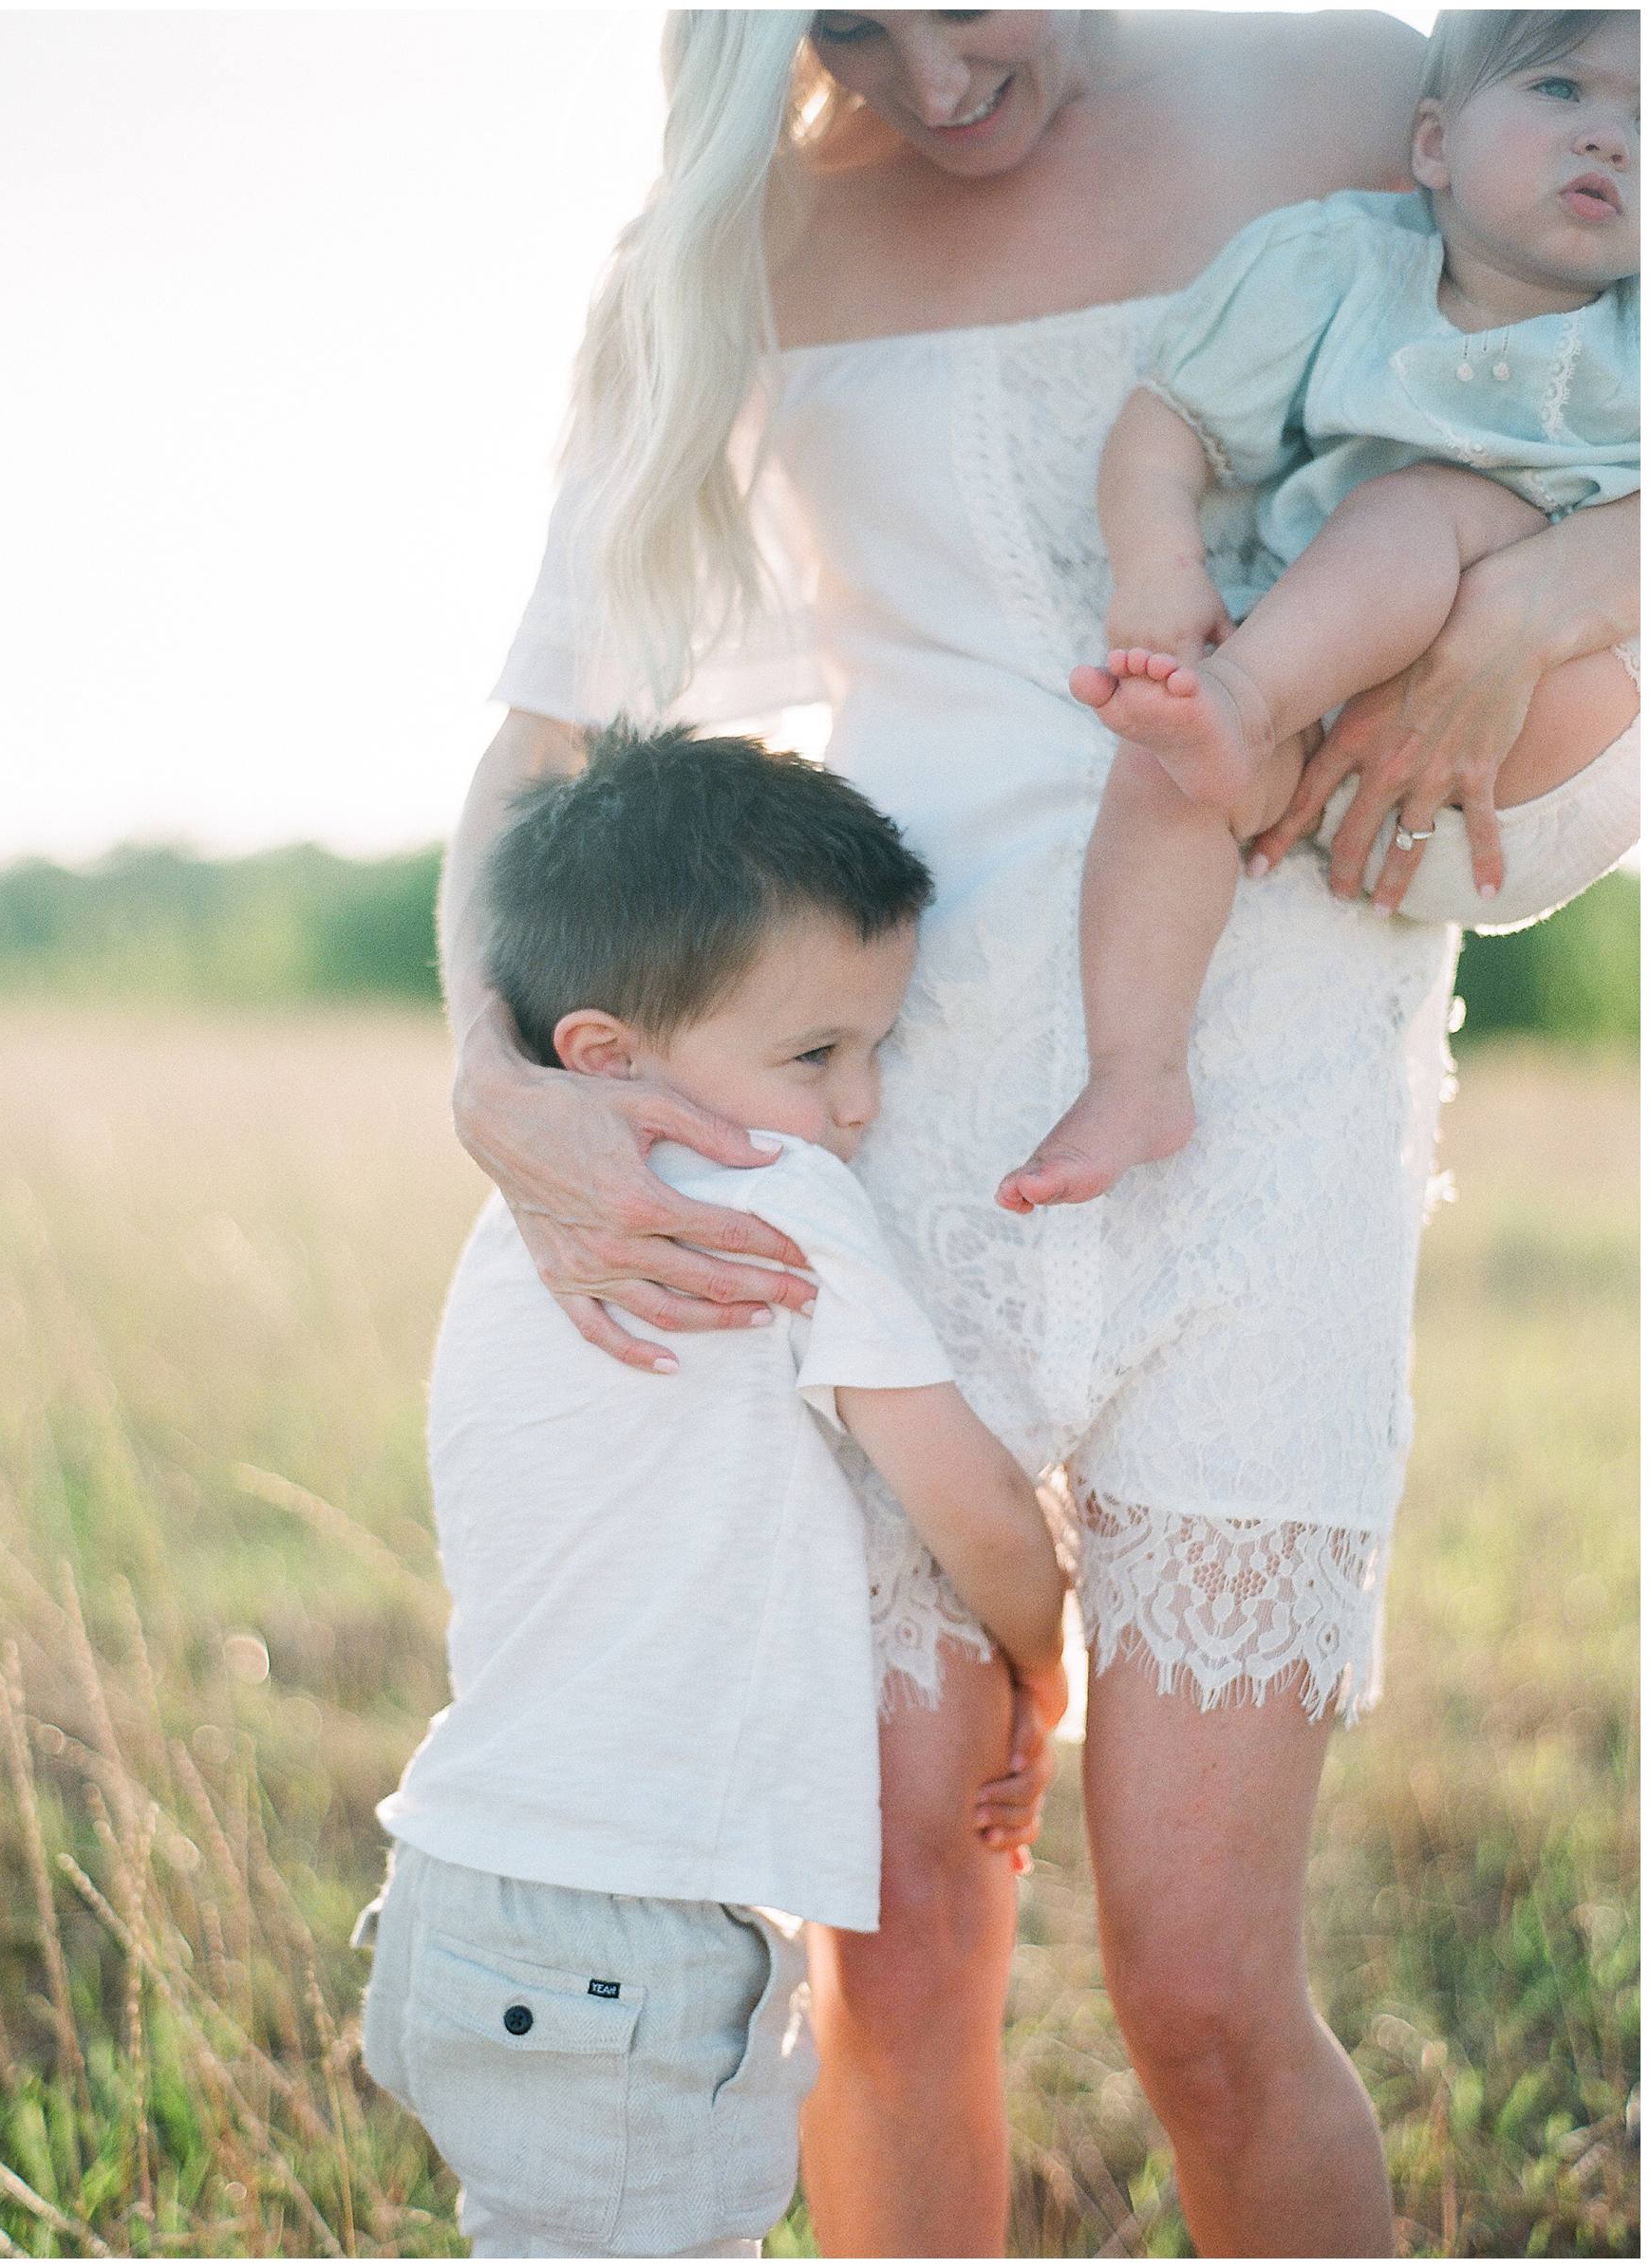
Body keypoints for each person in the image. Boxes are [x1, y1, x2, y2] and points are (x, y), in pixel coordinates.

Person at [446, 12, 1637, 2254]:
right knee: (898, 1939)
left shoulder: (1345, 94)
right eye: (842, 28)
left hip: (1268, 1080)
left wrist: (1572, 590)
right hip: (883, 1126)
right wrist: (489, 1078)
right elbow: (549, 730)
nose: (921, 69)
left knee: (1202, 1992)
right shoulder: (741, 239)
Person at [359, 725, 1070, 2259]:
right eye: (817, 1055)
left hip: (453, 1889)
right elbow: (986, 1512)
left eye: (878, 1046)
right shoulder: (777, 1192)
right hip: (630, 1939)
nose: (862, 1103)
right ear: (608, 1057)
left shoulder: (518, 1233)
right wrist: (1043, 1656)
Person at [1007, 10, 1641, 1210]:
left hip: (1548, 748)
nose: (1608, 140)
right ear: (1432, 143)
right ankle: (1134, 1074)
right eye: (1561, 90)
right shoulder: (1335, 265)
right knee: (1162, 778)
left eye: (1646, 123)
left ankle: (1234, 704)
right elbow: (1169, 421)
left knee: (1417, 510)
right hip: (1324, 733)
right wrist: (1154, 564)